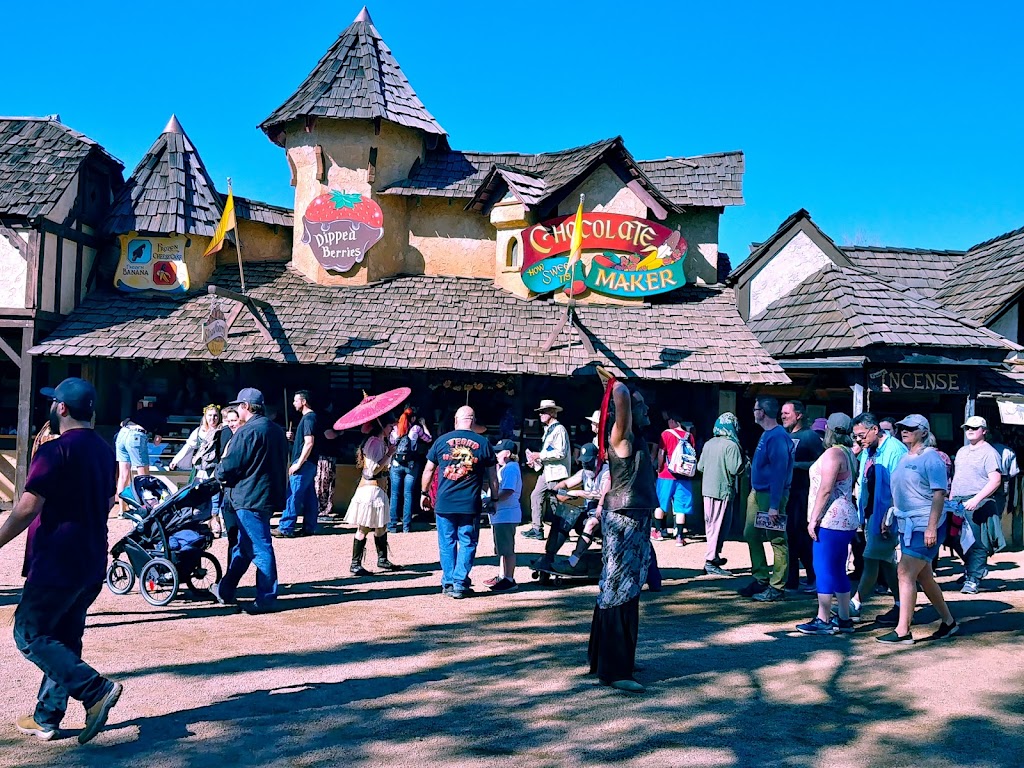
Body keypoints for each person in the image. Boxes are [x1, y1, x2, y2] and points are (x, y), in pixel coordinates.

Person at [1, 378, 122, 744]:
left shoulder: (55, 451)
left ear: (62, 408)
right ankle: (47, 716)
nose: (51, 407)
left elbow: (26, 507)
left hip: (57, 558)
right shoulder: (104, 449)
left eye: (53, 402)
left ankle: (94, 689)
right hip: (91, 559)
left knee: (29, 632)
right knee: (65, 638)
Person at [587, 382, 656, 694]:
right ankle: (614, 670)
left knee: (621, 587)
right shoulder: (622, 437)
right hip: (625, 519)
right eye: (641, 406)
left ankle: (606, 658)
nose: (646, 410)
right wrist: (617, 384)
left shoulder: (635, 440)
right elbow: (623, 398)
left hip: (634, 517)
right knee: (620, 589)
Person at [877, 414, 957, 644]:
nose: (904, 431)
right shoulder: (904, 457)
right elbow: (901, 492)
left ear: (924, 431)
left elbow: (939, 493)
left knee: (904, 572)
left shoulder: (931, 458)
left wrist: (932, 526)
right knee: (924, 576)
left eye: (911, 428)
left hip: (925, 524)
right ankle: (949, 622)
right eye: (902, 427)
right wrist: (889, 514)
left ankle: (903, 630)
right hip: (908, 523)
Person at [213, 388, 288, 614]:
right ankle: (225, 589)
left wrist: (218, 474)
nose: (237, 409)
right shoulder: (277, 431)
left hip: (248, 497)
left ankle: (265, 598)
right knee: (244, 547)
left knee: (259, 547)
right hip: (266, 496)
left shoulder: (246, 432)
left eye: (238, 406)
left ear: (246, 407)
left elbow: (230, 465)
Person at [421, 406, 499, 598]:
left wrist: (424, 492)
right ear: (472, 421)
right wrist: (494, 498)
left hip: (444, 502)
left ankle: (448, 582)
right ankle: (459, 582)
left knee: (446, 542)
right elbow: (493, 476)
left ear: (456, 420)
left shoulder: (441, 441)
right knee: (467, 542)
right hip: (469, 503)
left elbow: (429, 470)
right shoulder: (483, 443)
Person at [797, 413, 859, 635]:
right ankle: (844, 618)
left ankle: (823, 619)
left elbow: (825, 488)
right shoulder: (849, 453)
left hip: (831, 518)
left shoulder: (833, 453)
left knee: (823, 568)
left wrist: (813, 518)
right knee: (838, 568)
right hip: (845, 517)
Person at [849, 412, 907, 625]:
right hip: (870, 512)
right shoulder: (867, 450)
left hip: (886, 515)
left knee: (871, 558)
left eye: (862, 435)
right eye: (855, 436)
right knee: (884, 561)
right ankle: (901, 604)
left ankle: (855, 604)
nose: (858, 440)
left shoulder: (895, 450)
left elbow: (900, 487)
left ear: (875, 429)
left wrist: (889, 516)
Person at [740, 396, 794, 603]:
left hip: (772, 495)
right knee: (750, 533)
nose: (753, 412)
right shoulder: (767, 434)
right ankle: (760, 577)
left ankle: (777, 586)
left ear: (762, 411)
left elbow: (779, 473)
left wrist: (774, 506)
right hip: (758, 492)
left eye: (755, 409)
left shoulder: (778, 437)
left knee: (777, 539)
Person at [951, 415, 1003, 595]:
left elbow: (995, 480)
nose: (970, 430)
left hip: (977, 502)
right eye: (967, 428)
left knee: (977, 542)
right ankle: (974, 568)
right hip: (957, 502)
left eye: (974, 428)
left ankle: (973, 578)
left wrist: (977, 499)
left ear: (984, 431)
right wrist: (951, 500)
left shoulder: (989, 452)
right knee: (954, 538)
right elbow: (957, 477)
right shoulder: (962, 451)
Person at [345, 420, 399, 575]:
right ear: (382, 426)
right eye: (390, 425)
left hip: (377, 489)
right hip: (371, 490)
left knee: (380, 525)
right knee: (364, 526)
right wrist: (389, 454)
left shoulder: (379, 442)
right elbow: (372, 471)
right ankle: (355, 563)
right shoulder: (375, 443)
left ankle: (382, 559)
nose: (392, 428)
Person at [781, 401, 824, 593]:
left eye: (786, 413)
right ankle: (791, 580)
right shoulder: (785, 436)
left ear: (798, 415)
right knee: (789, 537)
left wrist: (797, 466)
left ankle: (814, 577)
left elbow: (822, 463)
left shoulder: (810, 437)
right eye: (781, 413)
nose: (782, 416)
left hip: (804, 495)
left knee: (803, 538)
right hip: (787, 495)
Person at [696, 413, 745, 577]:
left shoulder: (709, 443)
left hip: (707, 490)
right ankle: (710, 560)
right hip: (722, 490)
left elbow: (700, 467)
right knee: (719, 526)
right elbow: (736, 469)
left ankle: (714, 556)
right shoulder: (731, 445)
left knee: (711, 525)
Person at [170, 404, 227, 536]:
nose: (212, 419)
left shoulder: (223, 430)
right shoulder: (199, 431)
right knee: (198, 497)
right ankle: (201, 523)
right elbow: (188, 447)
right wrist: (175, 460)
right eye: (210, 416)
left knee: (216, 497)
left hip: (215, 469)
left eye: (215, 416)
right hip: (200, 470)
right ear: (205, 417)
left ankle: (217, 522)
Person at [523, 400, 570, 540]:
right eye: (540, 412)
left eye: (543, 412)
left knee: (556, 502)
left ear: (552, 413)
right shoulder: (549, 430)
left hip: (557, 472)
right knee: (536, 496)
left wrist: (540, 455)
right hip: (548, 471)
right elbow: (550, 453)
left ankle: (562, 531)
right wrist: (536, 462)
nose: (540, 414)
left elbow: (560, 452)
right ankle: (537, 528)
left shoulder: (559, 429)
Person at [275, 390, 319, 538]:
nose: (294, 403)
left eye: (296, 401)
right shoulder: (310, 418)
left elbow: (309, 443)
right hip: (310, 463)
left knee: (293, 494)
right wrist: (294, 439)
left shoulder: (308, 419)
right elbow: (306, 442)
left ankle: (285, 527)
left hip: (304, 464)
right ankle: (310, 526)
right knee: (309, 495)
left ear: (303, 402)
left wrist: (298, 464)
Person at [485, 439, 523, 592]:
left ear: (507, 453)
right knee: (502, 549)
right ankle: (503, 576)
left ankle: (509, 579)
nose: (495, 454)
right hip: (501, 515)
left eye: (498, 451)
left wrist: (491, 499)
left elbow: (508, 491)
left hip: (506, 514)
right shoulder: (505, 468)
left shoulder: (511, 468)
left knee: (507, 549)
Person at [653, 412, 695, 545]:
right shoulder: (690, 436)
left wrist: (659, 468)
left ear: (672, 421)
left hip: (666, 474)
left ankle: (659, 532)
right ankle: (679, 537)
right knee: (680, 508)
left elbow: (661, 453)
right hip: (684, 476)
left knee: (660, 504)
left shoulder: (666, 434)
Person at [388, 407, 433, 533]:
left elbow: (390, 444)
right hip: (411, 465)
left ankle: (392, 525)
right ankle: (406, 526)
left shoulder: (395, 428)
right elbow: (428, 439)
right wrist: (424, 425)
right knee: (408, 494)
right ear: (413, 418)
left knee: (394, 495)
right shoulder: (416, 428)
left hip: (396, 464)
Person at [219, 407, 242, 565]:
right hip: (227, 494)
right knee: (232, 538)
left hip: (243, 495)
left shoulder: (246, 436)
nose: (232, 424)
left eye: (235, 421)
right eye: (229, 421)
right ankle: (230, 578)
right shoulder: (225, 434)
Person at [114, 416, 150, 511]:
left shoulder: (137, 412)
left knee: (123, 475)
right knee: (143, 475)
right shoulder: (162, 417)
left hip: (122, 433)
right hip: (137, 435)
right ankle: (145, 507)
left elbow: (122, 423)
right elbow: (157, 441)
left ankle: (122, 510)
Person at [316, 428, 342, 518]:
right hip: (324, 456)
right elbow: (328, 434)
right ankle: (321, 509)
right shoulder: (324, 418)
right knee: (323, 484)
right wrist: (339, 432)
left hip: (329, 456)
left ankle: (324, 509)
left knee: (328, 484)